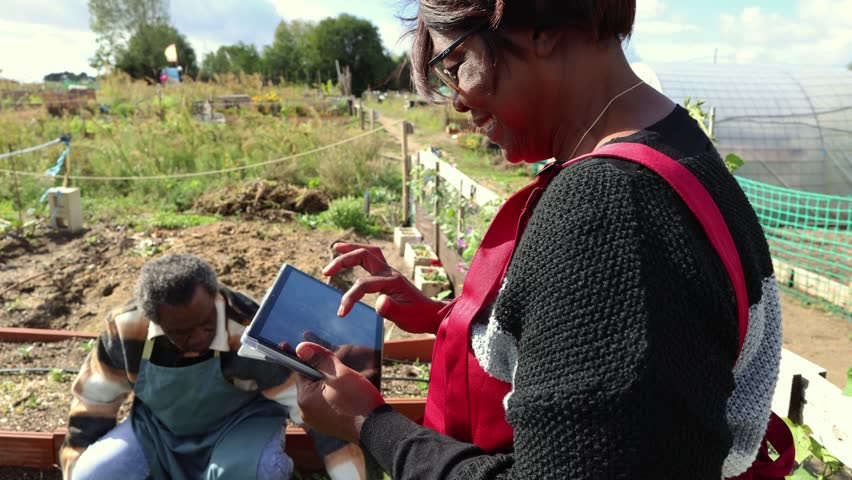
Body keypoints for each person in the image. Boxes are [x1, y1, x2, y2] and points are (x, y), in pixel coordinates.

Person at [293, 1, 790, 479]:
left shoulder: (610, 211)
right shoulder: (675, 148)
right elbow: (602, 353)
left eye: (457, 63)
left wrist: (369, 424)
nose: (458, 99)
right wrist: (445, 317)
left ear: (538, 26)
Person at [60, 253, 367, 480]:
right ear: (156, 320)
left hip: (242, 428)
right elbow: (92, 404)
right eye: (182, 332)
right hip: (158, 431)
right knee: (93, 474)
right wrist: (77, 464)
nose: (200, 336)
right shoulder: (127, 329)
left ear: (216, 297)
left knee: (255, 472)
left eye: (207, 323)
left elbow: (315, 415)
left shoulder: (250, 331)